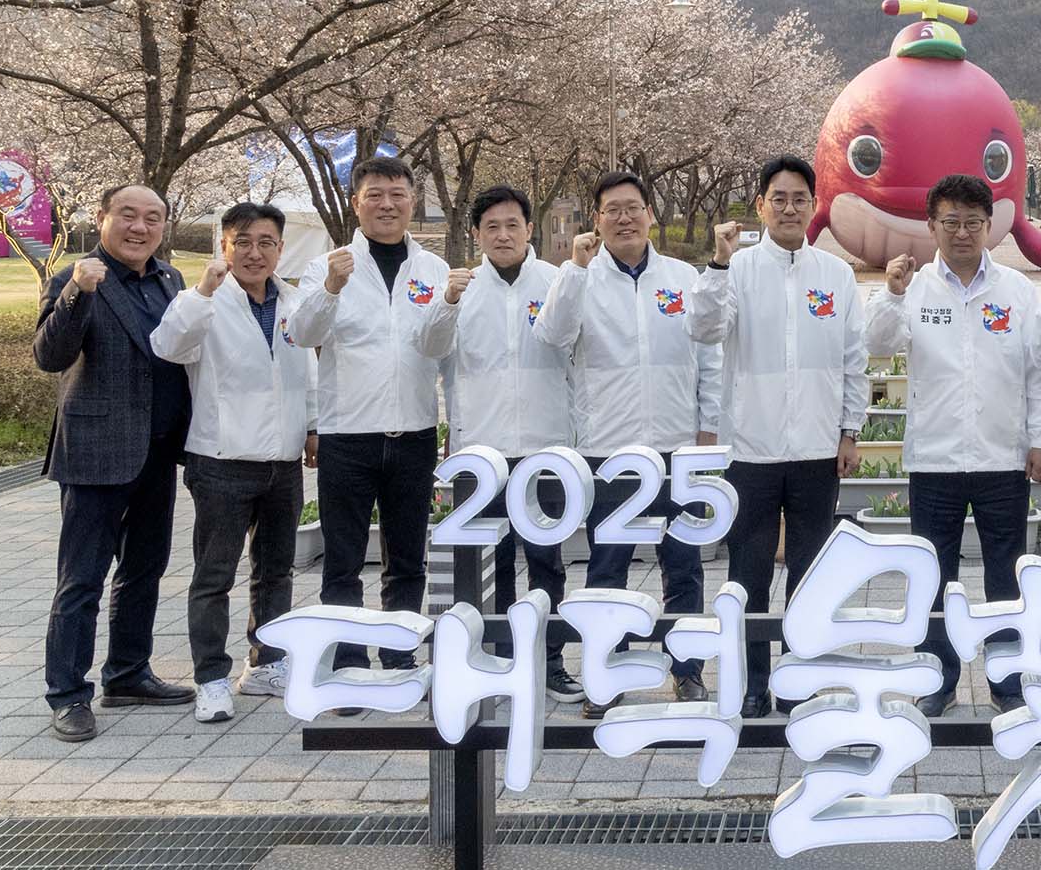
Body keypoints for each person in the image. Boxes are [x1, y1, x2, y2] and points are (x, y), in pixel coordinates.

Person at [866, 174, 1041, 716]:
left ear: (991, 228)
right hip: (934, 460)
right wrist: (891, 293)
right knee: (934, 574)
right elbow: (878, 346)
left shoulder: (1015, 291)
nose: (962, 232)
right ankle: (938, 677)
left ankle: (1007, 680)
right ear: (931, 225)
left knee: (1005, 572)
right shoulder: (914, 289)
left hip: (1002, 458)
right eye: (951, 222)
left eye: (973, 223)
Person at [534, 171, 721, 714]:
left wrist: (706, 426)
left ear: (649, 215)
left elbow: (709, 357)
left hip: (675, 447)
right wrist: (573, 269)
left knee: (683, 565)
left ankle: (687, 672)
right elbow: (551, 336)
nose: (624, 218)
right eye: (612, 209)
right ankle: (605, 673)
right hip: (608, 450)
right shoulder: (580, 280)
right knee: (607, 568)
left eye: (633, 208)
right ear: (596, 219)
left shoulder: (683, 277)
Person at [689, 156, 868, 719]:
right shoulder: (737, 269)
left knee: (809, 571)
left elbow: (853, 359)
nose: (789, 208)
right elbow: (705, 327)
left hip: (818, 448)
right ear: (761, 205)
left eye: (799, 199)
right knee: (749, 570)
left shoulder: (835, 276)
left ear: (812, 206)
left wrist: (849, 429)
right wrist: (717, 264)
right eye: (778, 198)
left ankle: (799, 676)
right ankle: (751, 679)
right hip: (753, 449)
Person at [34, 185, 196, 741]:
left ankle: (128, 673)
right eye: (127, 215)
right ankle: (67, 693)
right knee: (81, 579)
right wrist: (76, 293)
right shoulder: (77, 276)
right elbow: (49, 356)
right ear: (102, 219)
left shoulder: (169, 278)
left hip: (157, 452)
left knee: (145, 569)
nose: (139, 227)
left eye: (153, 218)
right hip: (96, 453)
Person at [415, 185, 582, 703]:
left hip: (545, 448)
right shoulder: (460, 289)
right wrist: (446, 302)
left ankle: (549, 659)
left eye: (513, 225)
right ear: (476, 234)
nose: (503, 235)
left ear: (530, 229)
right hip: (481, 452)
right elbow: (429, 347)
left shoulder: (557, 281)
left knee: (547, 560)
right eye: (492, 227)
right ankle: (500, 659)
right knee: (491, 561)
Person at [285, 157, 450, 679]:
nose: (387, 204)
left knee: (407, 558)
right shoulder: (329, 265)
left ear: (411, 201)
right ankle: (348, 662)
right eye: (375, 194)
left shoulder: (432, 268)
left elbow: (442, 345)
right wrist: (330, 287)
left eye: (397, 194)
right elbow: (303, 333)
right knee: (344, 560)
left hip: (415, 434)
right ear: (356, 202)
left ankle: (400, 656)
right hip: (347, 438)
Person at [150, 203, 309, 724]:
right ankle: (211, 678)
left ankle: (265, 663)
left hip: (282, 460)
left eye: (266, 242)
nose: (254, 252)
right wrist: (201, 292)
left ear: (280, 249)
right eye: (243, 241)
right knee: (214, 575)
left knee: (275, 572)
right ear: (224, 246)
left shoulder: (292, 300)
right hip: (222, 459)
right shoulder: (204, 303)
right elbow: (167, 345)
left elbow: (305, 371)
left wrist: (310, 429)